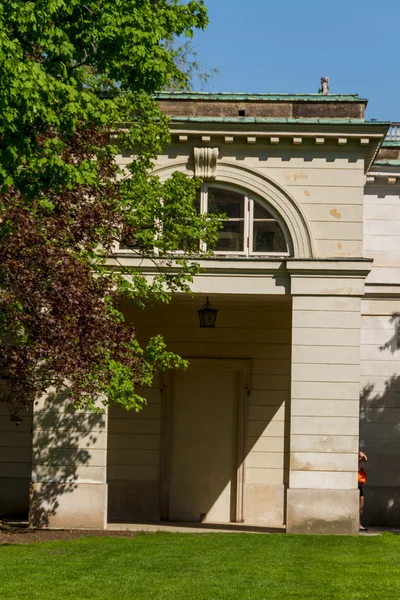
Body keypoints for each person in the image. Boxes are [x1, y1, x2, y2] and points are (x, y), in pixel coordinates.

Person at [358, 449, 368, 531]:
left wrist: (361, 454)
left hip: (360, 485)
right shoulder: (356, 462)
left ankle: (359, 523)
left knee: (361, 505)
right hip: (356, 484)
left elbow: (365, 458)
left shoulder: (360, 460)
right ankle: (358, 524)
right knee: (359, 504)